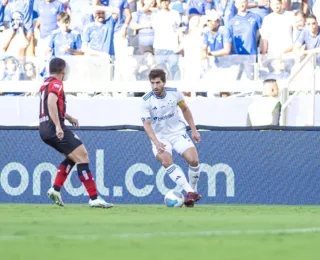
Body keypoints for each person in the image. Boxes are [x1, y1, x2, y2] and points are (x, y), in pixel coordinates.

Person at [39, 57, 113, 208]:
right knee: (83, 155)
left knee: (74, 157)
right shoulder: (57, 83)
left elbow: (51, 106)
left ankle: (55, 189)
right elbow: (51, 103)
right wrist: (59, 126)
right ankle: (94, 198)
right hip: (53, 127)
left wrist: (68, 117)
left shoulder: (45, 83)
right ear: (63, 70)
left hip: (44, 128)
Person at [141, 68, 202, 208]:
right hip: (160, 137)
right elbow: (146, 124)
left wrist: (193, 130)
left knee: (193, 160)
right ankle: (190, 192)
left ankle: (191, 192)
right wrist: (156, 142)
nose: (155, 86)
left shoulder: (175, 93)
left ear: (164, 82)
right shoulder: (146, 100)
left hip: (177, 133)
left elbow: (185, 109)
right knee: (166, 161)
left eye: (158, 82)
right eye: (152, 83)